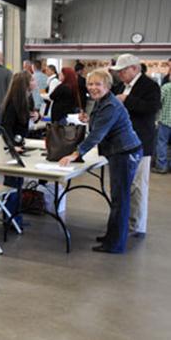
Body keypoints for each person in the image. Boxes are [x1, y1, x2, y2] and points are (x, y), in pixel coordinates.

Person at [59, 69, 142, 253]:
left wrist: (75, 154)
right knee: (118, 198)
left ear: (107, 86)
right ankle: (112, 237)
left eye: (98, 84)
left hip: (125, 152)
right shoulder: (101, 102)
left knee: (120, 200)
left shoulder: (110, 105)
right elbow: (97, 125)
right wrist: (87, 119)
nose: (93, 88)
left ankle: (115, 244)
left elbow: (96, 135)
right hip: (118, 152)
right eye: (90, 84)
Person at [111, 54, 161, 238]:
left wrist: (127, 100)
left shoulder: (150, 86)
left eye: (123, 71)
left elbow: (152, 108)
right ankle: (124, 222)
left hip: (141, 142)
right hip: (121, 144)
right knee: (123, 186)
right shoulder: (120, 86)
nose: (120, 75)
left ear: (134, 68)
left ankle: (136, 225)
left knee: (138, 186)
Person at [0, 71, 40, 226]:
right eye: (33, 79)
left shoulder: (27, 98)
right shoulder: (12, 102)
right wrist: (13, 147)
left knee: (17, 183)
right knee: (12, 184)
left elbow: (29, 117)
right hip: (11, 149)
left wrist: (37, 116)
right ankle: (10, 220)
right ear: (26, 83)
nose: (36, 81)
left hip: (19, 145)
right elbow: (5, 128)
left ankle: (16, 218)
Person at [153, 78, 171, 174]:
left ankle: (161, 166)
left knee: (162, 143)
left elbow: (157, 101)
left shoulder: (166, 87)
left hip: (165, 120)